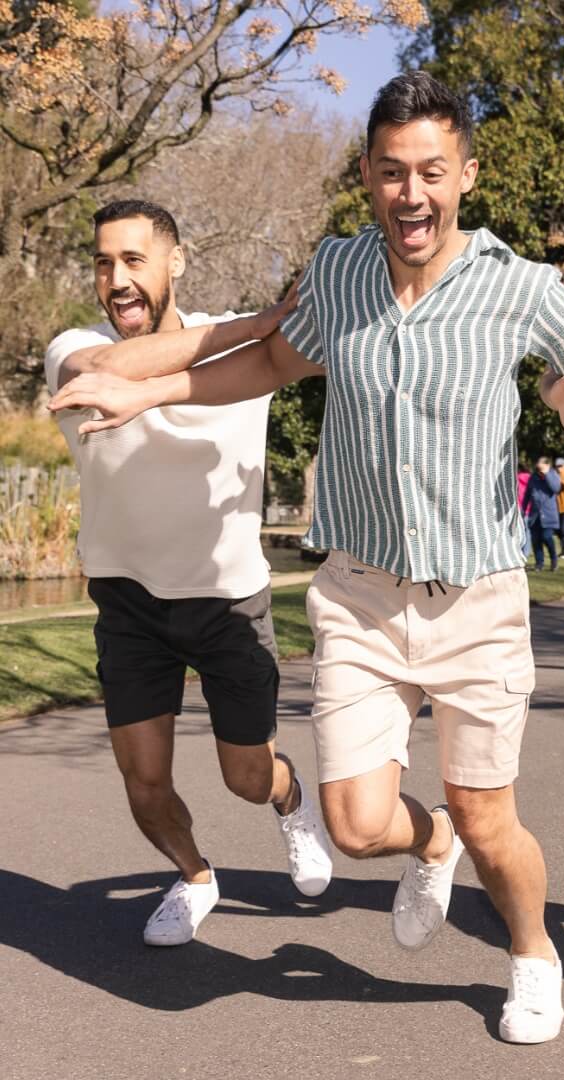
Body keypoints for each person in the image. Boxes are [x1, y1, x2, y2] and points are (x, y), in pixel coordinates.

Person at [49, 73, 564, 1042]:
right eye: (392, 172)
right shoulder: (341, 274)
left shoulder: (521, 290)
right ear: (367, 176)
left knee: (493, 822)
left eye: (431, 171)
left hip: (475, 599)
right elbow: (270, 361)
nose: (412, 194)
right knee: (356, 827)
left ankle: (533, 955)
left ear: (465, 175)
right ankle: (424, 840)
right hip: (358, 592)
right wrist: (154, 393)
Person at [43, 199, 333, 948]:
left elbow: (321, 345)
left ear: (175, 262)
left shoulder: (245, 351)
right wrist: (262, 320)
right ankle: (196, 875)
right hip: (129, 602)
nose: (117, 279)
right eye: (104, 263)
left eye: (134, 260)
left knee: (247, 777)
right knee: (143, 782)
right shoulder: (73, 347)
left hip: (228, 603)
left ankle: (291, 798)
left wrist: (278, 322)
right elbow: (107, 368)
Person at [522, 456, 562, 571]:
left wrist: (547, 474)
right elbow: (527, 495)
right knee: (536, 540)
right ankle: (539, 563)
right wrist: (523, 510)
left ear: (547, 465)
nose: (539, 467)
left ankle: (554, 560)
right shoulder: (533, 477)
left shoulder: (553, 475)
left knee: (547, 537)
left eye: (542, 465)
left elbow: (556, 488)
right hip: (535, 515)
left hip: (548, 514)